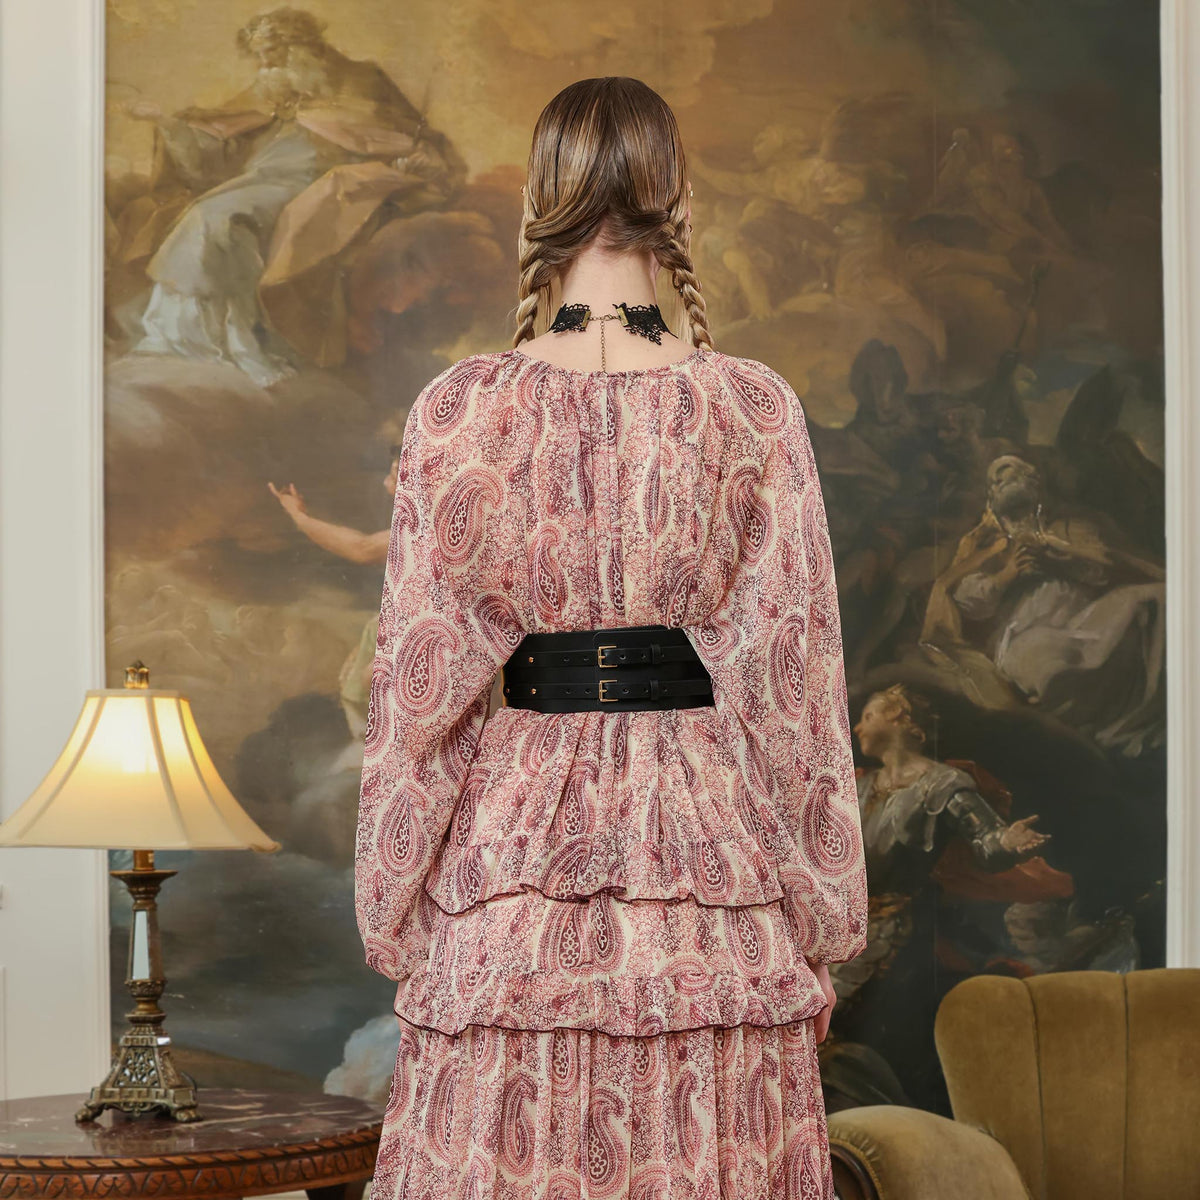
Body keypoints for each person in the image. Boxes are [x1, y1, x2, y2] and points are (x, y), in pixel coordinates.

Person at [354, 77, 868, 1200]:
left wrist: (392, 906)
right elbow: (795, 687)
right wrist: (825, 918)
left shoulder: (459, 410)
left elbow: (420, 693)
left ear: (540, 194)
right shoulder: (751, 409)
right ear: (676, 194)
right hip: (711, 872)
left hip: (509, 883)